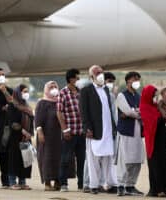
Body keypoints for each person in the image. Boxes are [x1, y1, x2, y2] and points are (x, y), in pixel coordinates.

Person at [80, 65, 117, 195]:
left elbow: (109, 111)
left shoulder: (106, 89)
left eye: (101, 72)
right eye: (97, 73)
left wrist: (113, 127)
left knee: (108, 158)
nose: (100, 74)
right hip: (94, 130)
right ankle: (94, 185)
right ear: (91, 77)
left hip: (107, 130)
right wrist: (87, 128)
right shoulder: (86, 91)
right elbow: (84, 112)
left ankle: (111, 184)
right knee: (93, 159)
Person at [115, 72, 145, 197]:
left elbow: (142, 111)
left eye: (138, 79)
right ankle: (121, 185)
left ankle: (130, 185)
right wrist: (136, 112)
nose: (137, 81)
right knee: (125, 160)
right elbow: (127, 111)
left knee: (137, 160)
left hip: (138, 133)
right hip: (126, 132)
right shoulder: (122, 95)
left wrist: (134, 112)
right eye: (134, 79)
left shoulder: (139, 96)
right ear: (128, 81)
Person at [140, 85, 166, 197]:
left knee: (164, 163)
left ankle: (164, 188)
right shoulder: (144, 106)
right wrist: (163, 119)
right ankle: (157, 189)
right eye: (153, 95)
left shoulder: (155, 106)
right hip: (153, 141)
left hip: (162, 140)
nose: (155, 97)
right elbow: (152, 122)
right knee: (155, 165)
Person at [58, 68, 86, 192]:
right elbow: (59, 112)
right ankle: (63, 184)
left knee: (82, 159)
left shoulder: (81, 92)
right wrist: (65, 130)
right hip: (70, 132)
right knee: (65, 159)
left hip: (81, 132)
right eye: (77, 77)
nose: (79, 80)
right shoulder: (63, 93)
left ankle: (82, 184)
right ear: (71, 79)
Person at [35, 81, 62, 191]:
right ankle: (47, 183)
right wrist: (40, 133)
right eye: (51, 87)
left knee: (59, 159)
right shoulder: (42, 102)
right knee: (47, 159)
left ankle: (57, 182)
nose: (54, 88)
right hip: (46, 136)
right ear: (46, 89)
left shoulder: (60, 101)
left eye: (55, 86)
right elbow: (37, 120)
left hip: (58, 136)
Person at [6, 84, 34, 190]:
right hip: (15, 137)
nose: (26, 94)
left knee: (25, 159)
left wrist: (30, 133)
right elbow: (12, 122)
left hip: (27, 137)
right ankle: (12, 182)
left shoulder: (27, 106)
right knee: (14, 159)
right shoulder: (12, 105)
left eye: (27, 91)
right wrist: (23, 131)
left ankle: (22, 181)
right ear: (18, 93)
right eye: (23, 92)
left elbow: (32, 121)